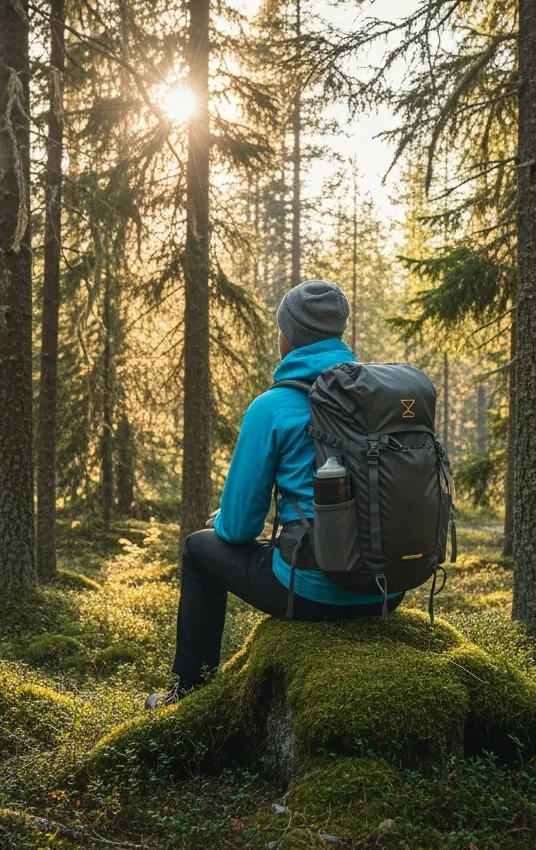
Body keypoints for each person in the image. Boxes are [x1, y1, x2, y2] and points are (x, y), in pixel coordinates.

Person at [147, 280, 404, 709]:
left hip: (310, 591)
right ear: (339, 333)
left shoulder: (272, 406)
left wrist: (223, 521)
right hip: (388, 587)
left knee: (198, 550)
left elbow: (241, 528)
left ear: (287, 337)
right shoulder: (380, 398)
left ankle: (188, 694)